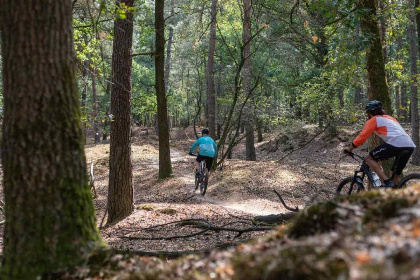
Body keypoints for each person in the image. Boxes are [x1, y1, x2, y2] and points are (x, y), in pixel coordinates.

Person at [344, 100, 416, 188]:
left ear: (369, 113)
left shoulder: (374, 120)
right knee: (395, 175)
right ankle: (400, 197)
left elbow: (361, 137)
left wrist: (349, 149)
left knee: (369, 158)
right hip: (410, 145)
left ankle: (386, 181)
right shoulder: (390, 118)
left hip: (396, 144)